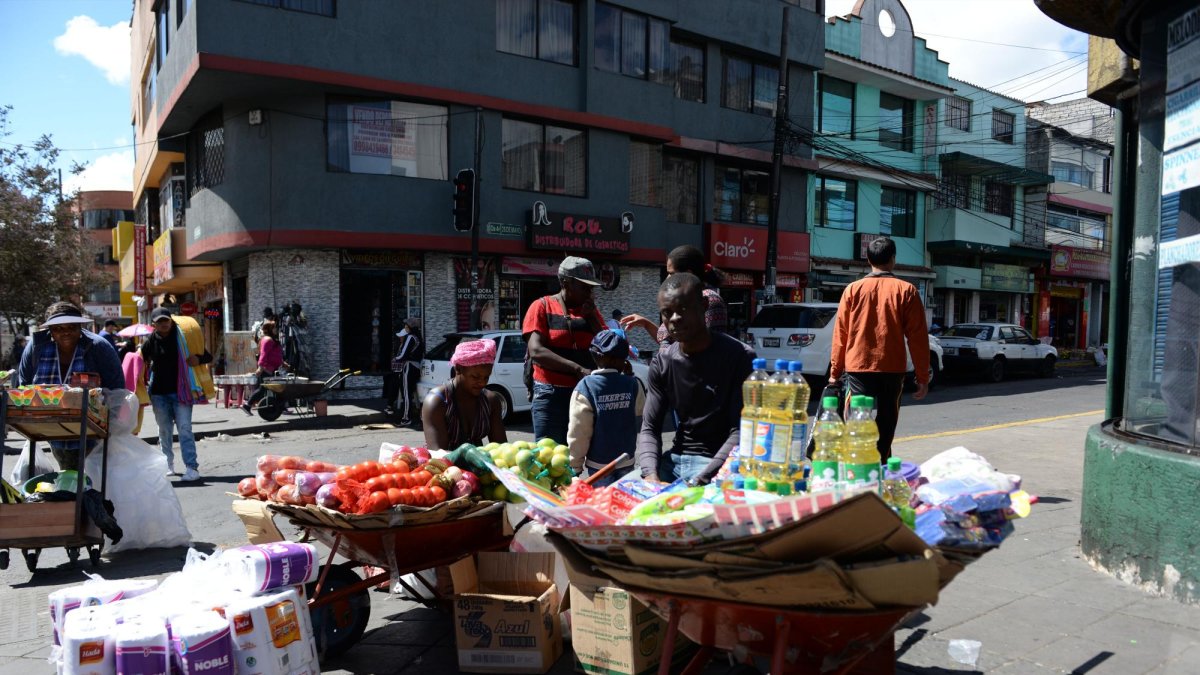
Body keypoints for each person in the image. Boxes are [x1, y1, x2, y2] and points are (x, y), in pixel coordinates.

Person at [637, 274, 754, 485]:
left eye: (682, 309)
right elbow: (649, 428)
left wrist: (700, 481)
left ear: (704, 305)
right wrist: (651, 476)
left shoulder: (740, 357)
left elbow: (741, 430)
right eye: (666, 313)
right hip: (673, 463)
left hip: (719, 465)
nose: (674, 319)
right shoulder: (662, 362)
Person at [828, 236, 929, 462]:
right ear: (893, 259)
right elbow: (918, 339)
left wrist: (835, 374)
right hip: (892, 368)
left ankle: (857, 469)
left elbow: (840, 335)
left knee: (856, 424)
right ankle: (881, 470)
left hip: (857, 368)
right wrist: (922, 377)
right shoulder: (907, 291)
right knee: (886, 425)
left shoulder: (852, 290)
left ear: (868, 259)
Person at [16, 302, 125, 471]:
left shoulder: (99, 347)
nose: (65, 331)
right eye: (58, 328)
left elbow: (117, 389)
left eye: (72, 327)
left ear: (80, 327)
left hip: (93, 432)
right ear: (50, 330)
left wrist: (116, 426)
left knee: (93, 481)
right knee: (69, 476)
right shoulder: (37, 347)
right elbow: (24, 385)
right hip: (53, 430)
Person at [523, 256, 606, 444]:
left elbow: (607, 347)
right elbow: (536, 351)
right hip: (550, 394)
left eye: (592, 288)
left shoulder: (590, 310)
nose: (590, 292)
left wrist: (592, 317)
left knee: (583, 456)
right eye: (584, 287)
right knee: (550, 455)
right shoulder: (541, 306)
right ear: (565, 283)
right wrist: (577, 369)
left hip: (584, 393)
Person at [141, 307, 215, 481]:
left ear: (171, 320)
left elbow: (208, 357)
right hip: (158, 393)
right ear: (154, 325)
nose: (164, 324)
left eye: (166, 320)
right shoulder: (150, 341)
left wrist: (198, 359)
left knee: (185, 429)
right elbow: (140, 360)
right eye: (159, 322)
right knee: (164, 431)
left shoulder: (184, 338)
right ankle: (168, 464)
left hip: (181, 392)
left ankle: (191, 467)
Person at [567, 330, 645, 486]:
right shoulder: (633, 384)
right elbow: (640, 413)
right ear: (623, 360)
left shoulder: (586, 387)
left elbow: (579, 431)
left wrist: (575, 465)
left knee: (603, 506)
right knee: (624, 505)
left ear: (595, 356)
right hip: (626, 461)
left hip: (599, 467)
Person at [621, 244, 728, 343]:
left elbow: (700, 347)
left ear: (688, 274)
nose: (667, 278)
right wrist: (646, 324)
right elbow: (668, 344)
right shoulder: (682, 300)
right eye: (666, 312)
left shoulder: (709, 299)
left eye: (671, 274)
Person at [421, 339, 507, 450]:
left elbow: (501, 449)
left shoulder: (491, 401)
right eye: (475, 377)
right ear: (458, 369)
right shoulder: (437, 401)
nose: (482, 382)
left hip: (478, 464)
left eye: (486, 377)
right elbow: (438, 455)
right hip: (445, 465)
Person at [241, 320, 287, 416]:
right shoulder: (267, 340)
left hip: (272, 369)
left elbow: (275, 354)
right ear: (269, 329)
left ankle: (281, 407)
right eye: (274, 327)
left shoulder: (272, 339)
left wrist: (283, 363)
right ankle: (247, 405)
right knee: (263, 389)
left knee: (272, 389)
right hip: (266, 370)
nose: (276, 329)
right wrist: (260, 368)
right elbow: (263, 355)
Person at [383, 318, 423, 424]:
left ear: (411, 327)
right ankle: (408, 416)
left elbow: (403, 355)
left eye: (406, 327)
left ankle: (406, 418)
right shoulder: (418, 337)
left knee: (406, 393)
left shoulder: (410, 337)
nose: (405, 328)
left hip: (408, 367)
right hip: (416, 367)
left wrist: (395, 359)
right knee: (408, 393)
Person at [122, 337, 150, 435]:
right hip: (137, 394)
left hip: (125, 393)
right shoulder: (139, 358)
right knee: (134, 427)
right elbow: (138, 377)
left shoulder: (129, 355)